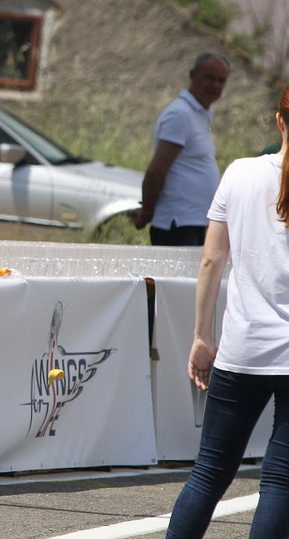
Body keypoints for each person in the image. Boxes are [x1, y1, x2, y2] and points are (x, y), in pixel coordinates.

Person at [164, 85, 289, 538]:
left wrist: (201, 336)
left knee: (210, 472)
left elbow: (212, 261)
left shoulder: (239, 172)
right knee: (281, 483)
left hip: (244, 348)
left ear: (279, 121)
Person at [132, 53, 231, 245]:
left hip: (192, 222)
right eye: (210, 78)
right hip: (177, 223)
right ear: (193, 75)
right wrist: (147, 212)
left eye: (221, 80)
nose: (216, 85)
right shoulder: (181, 114)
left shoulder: (199, 114)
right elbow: (156, 171)